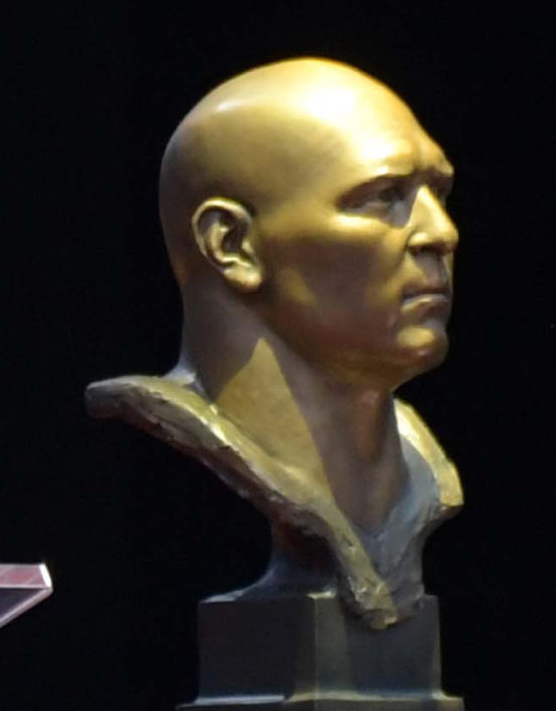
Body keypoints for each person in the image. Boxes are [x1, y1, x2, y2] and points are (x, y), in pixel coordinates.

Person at [85, 56, 460, 624]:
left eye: (439, 192)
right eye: (383, 196)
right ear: (233, 245)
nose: (441, 233)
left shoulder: (429, 475)